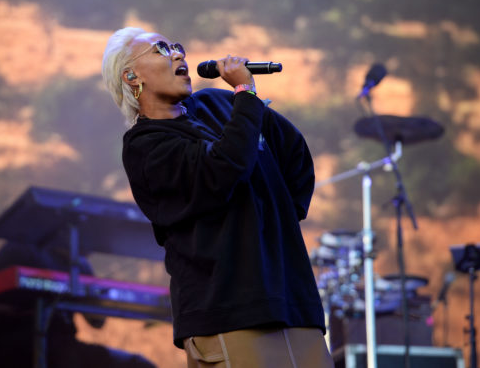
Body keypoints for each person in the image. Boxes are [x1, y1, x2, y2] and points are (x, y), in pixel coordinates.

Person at [102, 27, 334, 368]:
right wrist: (245, 91)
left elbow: (294, 152)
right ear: (132, 75)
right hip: (230, 312)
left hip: (292, 301)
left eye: (177, 47)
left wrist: (275, 220)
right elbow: (223, 169)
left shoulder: (218, 103)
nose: (179, 55)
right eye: (161, 50)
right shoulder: (146, 147)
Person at [0, 234, 156, 368]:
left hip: (61, 349)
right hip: (13, 345)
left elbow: (97, 321)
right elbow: (3, 303)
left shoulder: (78, 264)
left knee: (139, 365)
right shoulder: (19, 248)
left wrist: (86, 280)